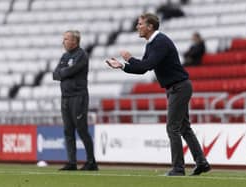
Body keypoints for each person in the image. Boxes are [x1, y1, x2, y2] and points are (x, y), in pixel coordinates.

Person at [105, 13, 210, 176]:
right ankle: (201, 162)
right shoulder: (152, 43)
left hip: (179, 87)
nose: (137, 27)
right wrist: (122, 66)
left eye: (140, 24)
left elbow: (148, 64)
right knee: (183, 127)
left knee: (172, 127)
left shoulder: (160, 42)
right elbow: (142, 69)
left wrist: (130, 58)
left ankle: (178, 168)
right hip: (177, 87)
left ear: (150, 26)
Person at [53, 30, 98, 171]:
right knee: (68, 130)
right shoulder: (64, 56)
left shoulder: (81, 55)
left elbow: (70, 71)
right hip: (65, 97)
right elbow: (55, 74)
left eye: (66, 39)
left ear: (74, 41)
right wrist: (63, 72)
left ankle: (91, 162)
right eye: (64, 39)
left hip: (78, 97)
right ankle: (71, 162)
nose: (63, 41)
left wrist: (63, 72)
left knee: (82, 129)